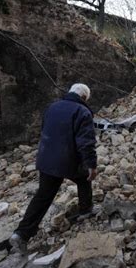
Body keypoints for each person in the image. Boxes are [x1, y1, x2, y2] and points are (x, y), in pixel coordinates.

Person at [9, 83, 97, 253]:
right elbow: (86, 142)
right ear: (84, 97)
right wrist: (91, 165)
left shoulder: (52, 107)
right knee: (85, 177)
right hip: (67, 161)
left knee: (43, 196)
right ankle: (85, 209)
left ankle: (21, 234)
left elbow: (45, 131)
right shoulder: (82, 112)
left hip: (46, 160)